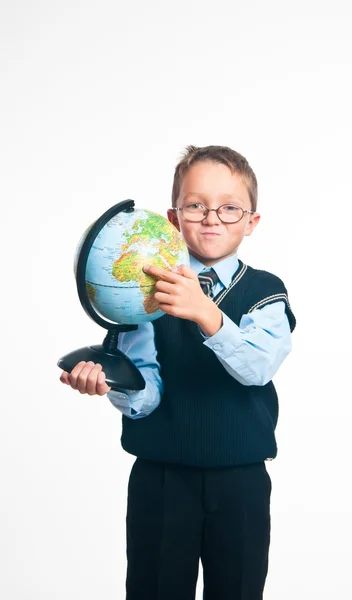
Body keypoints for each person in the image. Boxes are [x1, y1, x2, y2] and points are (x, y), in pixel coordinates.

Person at [60, 145, 297, 600]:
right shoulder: (142, 293)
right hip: (162, 479)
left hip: (240, 480)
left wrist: (205, 313)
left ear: (252, 222)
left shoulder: (267, 292)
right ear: (173, 217)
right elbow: (146, 394)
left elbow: (257, 368)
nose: (212, 218)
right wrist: (113, 382)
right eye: (195, 205)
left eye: (230, 208)